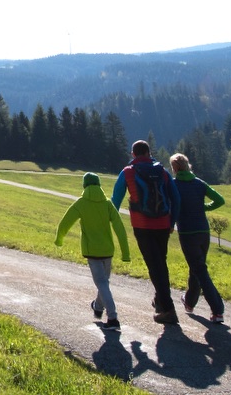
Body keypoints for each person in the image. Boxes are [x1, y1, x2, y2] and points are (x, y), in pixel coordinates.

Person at [112, 140, 181, 324]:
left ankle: (168, 309)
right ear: (149, 153)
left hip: (142, 225)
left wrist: (111, 221)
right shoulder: (163, 172)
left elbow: (115, 200)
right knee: (160, 262)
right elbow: (176, 198)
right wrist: (172, 221)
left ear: (133, 154)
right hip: (163, 224)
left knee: (154, 265)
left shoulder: (128, 172)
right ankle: (160, 301)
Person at [55, 172, 131, 331]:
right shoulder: (107, 204)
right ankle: (98, 306)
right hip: (107, 250)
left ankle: (112, 318)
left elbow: (65, 222)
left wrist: (59, 239)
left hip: (92, 251)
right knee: (104, 282)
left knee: (102, 283)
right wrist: (125, 252)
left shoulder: (81, 203)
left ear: (85, 186)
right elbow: (120, 228)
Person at [170, 153, 227, 324]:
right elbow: (219, 200)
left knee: (200, 270)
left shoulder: (173, 185)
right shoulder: (199, 183)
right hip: (204, 232)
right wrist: (203, 207)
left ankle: (218, 310)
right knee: (197, 267)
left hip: (187, 233)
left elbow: (170, 205)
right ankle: (189, 302)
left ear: (175, 168)